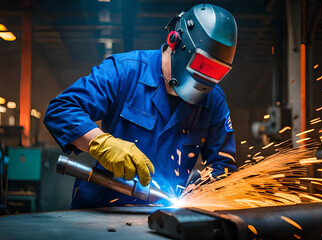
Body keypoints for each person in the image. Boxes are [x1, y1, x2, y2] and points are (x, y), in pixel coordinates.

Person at [44, 3, 238, 209]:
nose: (205, 77)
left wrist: (204, 195)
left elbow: (222, 168)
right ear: (176, 42)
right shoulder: (123, 72)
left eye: (216, 72)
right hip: (101, 209)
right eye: (201, 65)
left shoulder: (213, 100)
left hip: (166, 216)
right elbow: (60, 109)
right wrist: (102, 144)